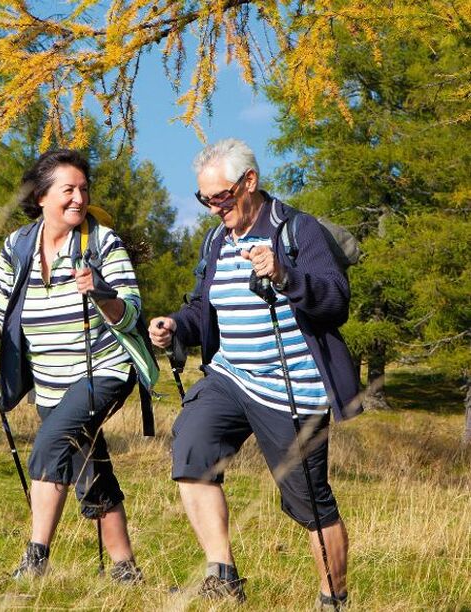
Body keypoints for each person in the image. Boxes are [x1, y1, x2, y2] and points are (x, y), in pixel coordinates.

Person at [149, 139, 361, 610]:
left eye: (220, 197)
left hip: (291, 386)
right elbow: (202, 307)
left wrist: (286, 277)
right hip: (231, 377)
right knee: (192, 448)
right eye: (204, 199)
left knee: (309, 502)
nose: (212, 208)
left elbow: (336, 300)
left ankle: (334, 599)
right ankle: (222, 575)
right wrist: (175, 326)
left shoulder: (296, 230)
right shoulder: (216, 240)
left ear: (250, 182)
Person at [0, 149, 145, 582]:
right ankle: (125, 570)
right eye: (69, 190)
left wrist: (101, 294)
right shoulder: (18, 244)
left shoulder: (103, 243)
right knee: (89, 469)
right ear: (42, 196)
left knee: (50, 443)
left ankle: (35, 559)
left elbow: (133, 311)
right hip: (48, 381)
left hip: (104, 371)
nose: (79, 198)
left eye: (83, 189)